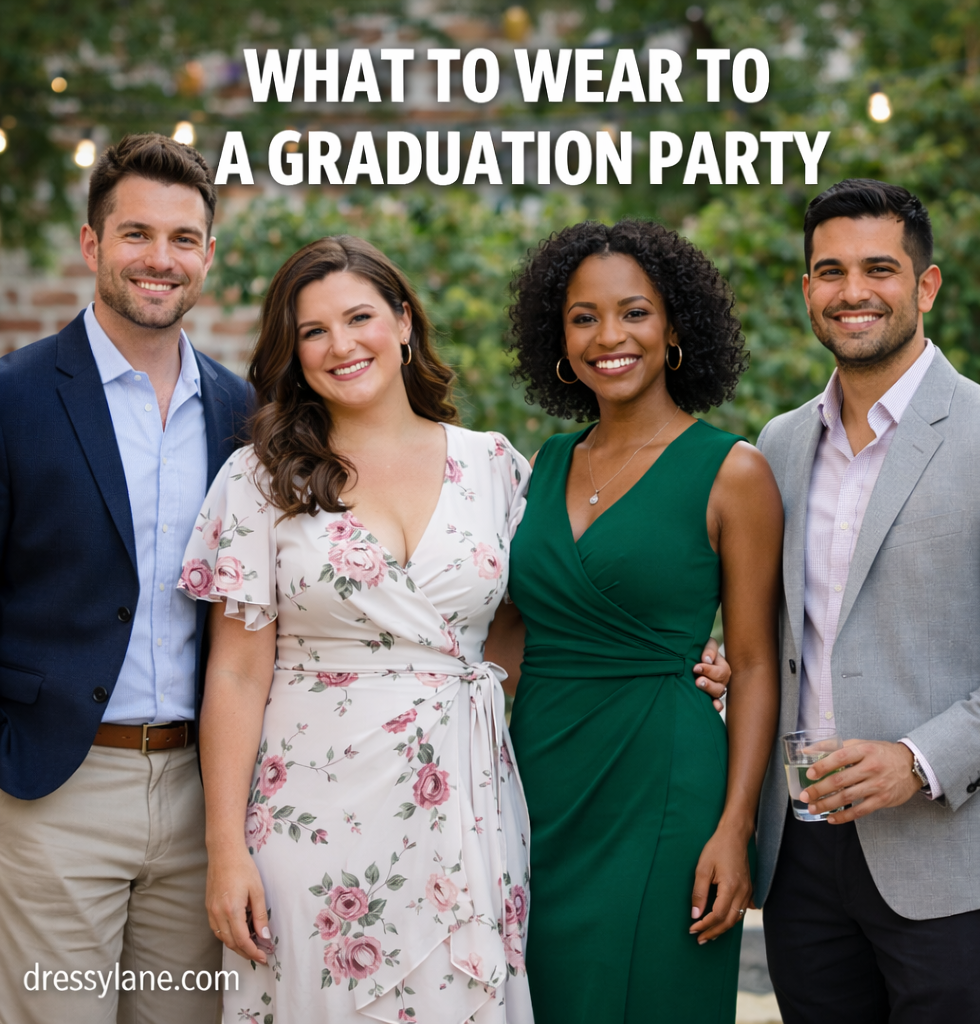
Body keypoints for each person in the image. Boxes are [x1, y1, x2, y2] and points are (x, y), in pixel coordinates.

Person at [178, 235, 535, 1023]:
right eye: (313, 331)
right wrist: (226, 850)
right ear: (293, 351)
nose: (341, 345)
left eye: (360, 317)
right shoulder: (260, 479)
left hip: (465, 804)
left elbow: (523, 625)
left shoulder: (495, 467)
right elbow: (236, 674)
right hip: (310, 819)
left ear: (404, 323)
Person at [498, 219, 783, 1024]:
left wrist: (735, 829)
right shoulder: (543, 465)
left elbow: (756, 663)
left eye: (634, 312)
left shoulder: (734, 472)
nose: (608, 337)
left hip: (666, 784)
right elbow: (509, 633)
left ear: (674, 327)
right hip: (542, 784)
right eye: (583, 317)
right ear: (558, 338)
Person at [754, 179, 980, 1024]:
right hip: (801, 854)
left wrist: (918, 759)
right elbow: (798, 633)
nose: (853, 291)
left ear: (926, 285)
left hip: (950, 853)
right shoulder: (781, 443)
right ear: (807, 292)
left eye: (879, 268)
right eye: (829, 272)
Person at [0, 134, 251, 1023]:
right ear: (92, 245)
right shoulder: (14, 397)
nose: (161, 259)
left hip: (200, 796)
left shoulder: (241, 412)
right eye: (136, 234)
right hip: (57, 788)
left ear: (209, 256)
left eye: (184, 239)